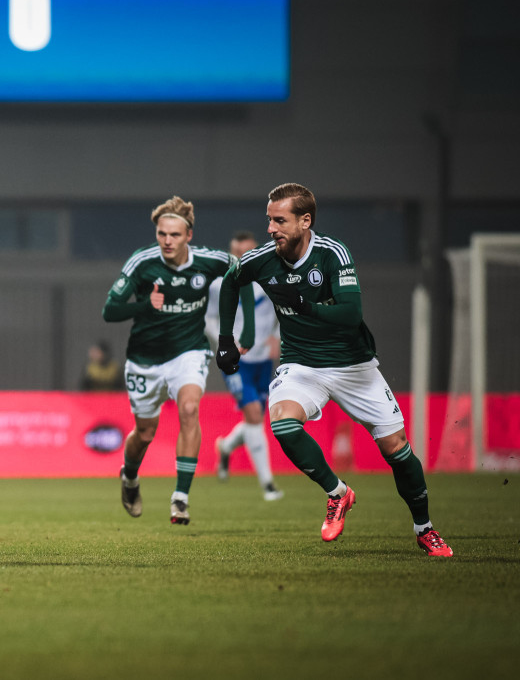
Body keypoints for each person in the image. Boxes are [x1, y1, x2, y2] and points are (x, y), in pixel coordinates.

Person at [216, 182, 453, 557]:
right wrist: (227, 340)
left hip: (354, 366)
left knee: (396, 449)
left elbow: (350, 314)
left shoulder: (331, 253)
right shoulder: (263, 257)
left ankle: (425, 529)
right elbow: (231, 281)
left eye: (279, 220)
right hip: (301, 365)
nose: (271, 229)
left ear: (305, 220)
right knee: (282, 423)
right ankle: (338, 493)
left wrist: (305, 306)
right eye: (269, 220)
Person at [103, 196, 255, 525]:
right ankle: (129, 477)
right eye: (161, 234)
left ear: (189, 235)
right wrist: (144, 306)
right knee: (144, 434)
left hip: (188, 351)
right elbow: (110, 310)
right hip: (144, 359)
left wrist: (249, 332)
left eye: (174, 235)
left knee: (189, 409)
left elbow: (243, 274)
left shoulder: (209, 260)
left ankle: (180, 498)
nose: (167, 241)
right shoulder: (142, 262)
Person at [205, 231, 284, 501]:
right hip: (238, 361)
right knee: (253, 415)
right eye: (238, 253)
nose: (243, 258)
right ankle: (268, 485)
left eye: (247, 252)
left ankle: (225, 447)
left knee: (255, 419)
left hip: (264, 358)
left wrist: (277, 337)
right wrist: (226, 342)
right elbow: (210, 320)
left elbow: (281, 312)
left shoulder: (269, 281)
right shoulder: (220, 285)